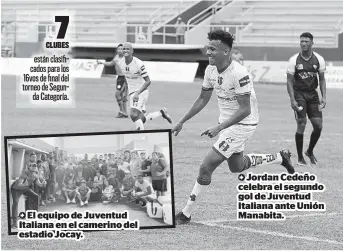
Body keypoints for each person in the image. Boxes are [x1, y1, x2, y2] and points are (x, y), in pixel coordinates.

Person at [171, 30, 295, 224]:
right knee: (237, 167)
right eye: (208, 48)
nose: (208, 52)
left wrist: (219, 127)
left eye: (213, 49)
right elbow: (203, 98)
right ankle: (280, 157)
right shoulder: (210, 70)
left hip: (243, 124)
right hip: (227, 123)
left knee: (206, 167)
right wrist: (182, 121)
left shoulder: (239, 74)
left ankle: (185, 213)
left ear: (226, 51)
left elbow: (245, 110)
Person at [286, 32, 326, 165]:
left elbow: (322, 79)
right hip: (299, 94)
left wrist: (324, 97)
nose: (303, 43)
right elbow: (289, 82)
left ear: (312, 43)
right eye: (301, 41)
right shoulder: (294, 60)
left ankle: (309, 151)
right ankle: (300, 158)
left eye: (306, 41)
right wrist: (292, 99)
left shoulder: (319, 60)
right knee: (301, 123)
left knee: (318, 126)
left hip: (313, 94)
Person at [116, 42, 173, 130]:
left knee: (133, 114)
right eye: (124, 49)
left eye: (128, 49)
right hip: (132, 93)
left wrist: (137, 93)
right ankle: (161, 113)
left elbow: (148, 81)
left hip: (141, 91)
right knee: (141, 118)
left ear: (132, 51)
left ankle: (141, 139)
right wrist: (125, 93)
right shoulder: (120, 63)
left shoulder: (138, 63)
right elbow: (127, 79)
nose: (125, 50)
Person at [98, 44, 129, 118]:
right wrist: (102, 63)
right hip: (119, 78)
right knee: (122, 96)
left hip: (125, 78)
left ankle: (122, 112)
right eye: (118, 49)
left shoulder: (127, 58)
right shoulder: (116, 57)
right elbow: (111, 63)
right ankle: (124, 113)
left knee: (118, 94)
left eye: (121, 49)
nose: (120, 50)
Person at [11, 163, 46, 228]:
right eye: (32, 166)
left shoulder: (35, 174)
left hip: (25, 188)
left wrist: (43, 184)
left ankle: (36, 214)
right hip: (16, 189)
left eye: (35, 166)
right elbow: (19, 184)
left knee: (36, 196)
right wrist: (26, 181)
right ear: (29, 167)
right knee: (15, 202)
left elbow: (39, 184)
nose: (34, 167)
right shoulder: (25, 173)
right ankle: (14, 223)